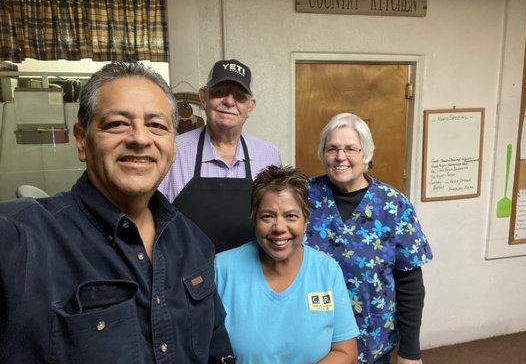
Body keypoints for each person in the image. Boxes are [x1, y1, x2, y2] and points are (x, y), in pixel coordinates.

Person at [0, 62, 234, 364]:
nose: (140, 138)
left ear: (172, 146)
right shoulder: (22, 240)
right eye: (117, 124)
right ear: (82, 140)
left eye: (157, 125)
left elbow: (217, 351)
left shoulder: (193, 243)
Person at [305, 113, 433, 364]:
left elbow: (409, 282)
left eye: (351, 148)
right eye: (332, 149)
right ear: (322, 154)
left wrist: (410, 351)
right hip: (314, 338)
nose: (341, 157)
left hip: (372, 341)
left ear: (366, 154)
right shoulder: (303, 196)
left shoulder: (393, 205)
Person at [215, 165, 359, 363]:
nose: (279, 228)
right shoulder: (222, 269)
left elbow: (345, 351)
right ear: (254, 219)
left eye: (291, 216)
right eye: (267, 216)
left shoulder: (327, 270)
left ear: (306, 220)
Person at [159, 59, 281, 252]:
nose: (229, 102)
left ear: (251, 105)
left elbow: (277, 221)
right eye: (219, 93)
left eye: (240, 96)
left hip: (252, 276)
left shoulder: (269, 155)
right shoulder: (172, 151)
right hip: (185, 275)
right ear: (203, 96)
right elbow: (151, 220)